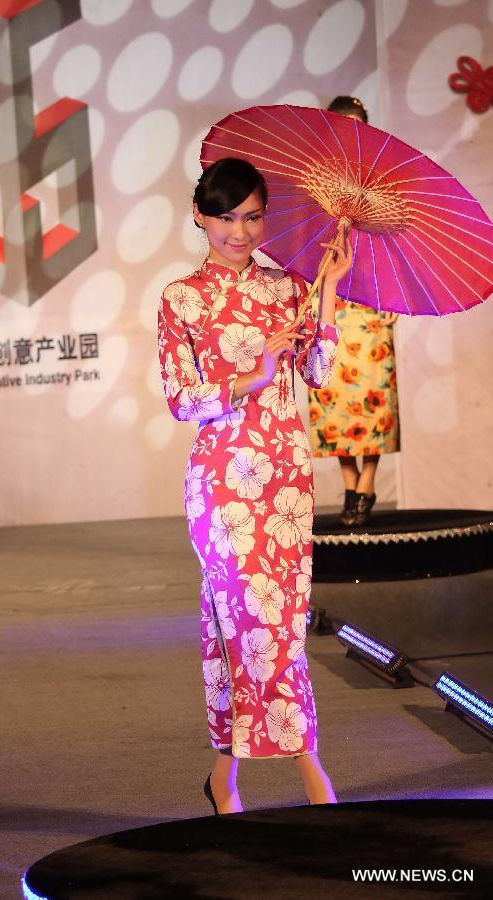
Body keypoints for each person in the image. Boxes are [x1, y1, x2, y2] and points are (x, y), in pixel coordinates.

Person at [158, 157, 352, 814]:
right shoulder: (182, 298)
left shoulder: (290, 289)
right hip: (222, 483)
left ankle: (223, 777)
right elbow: (182, 400)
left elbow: (320, 373)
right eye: (225, 218)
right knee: (252, 618)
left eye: (251, 217)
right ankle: (311, 771)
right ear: (199, 217)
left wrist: (329, 294)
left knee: (277, 625)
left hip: (287, 479)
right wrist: (254, 372)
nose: (239, 232)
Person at [308, 96, 400, 526]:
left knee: (373, 394)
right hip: (332, 296)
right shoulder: (316, 183)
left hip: (372, 297)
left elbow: (396, 245)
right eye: (342, 127)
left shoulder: (382, 182)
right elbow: (305, 244)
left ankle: (367, 483)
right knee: (333, 396)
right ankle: (349, 482)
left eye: (357, 127)